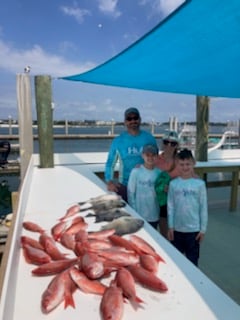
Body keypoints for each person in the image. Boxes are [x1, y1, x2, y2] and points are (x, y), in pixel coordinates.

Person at [104, 107, 157, 202]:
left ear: (140, 119)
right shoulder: (118, 141)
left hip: (146, 185)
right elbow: (110, 163)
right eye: (129, 119)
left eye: (135, 118)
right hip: (125, 186)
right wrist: (109, 181)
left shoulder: (149, 138)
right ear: (125, 122)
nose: (133, 121)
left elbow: (156, 159)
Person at [167, 148, 208, 266]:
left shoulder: (200, 184)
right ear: (177, 165)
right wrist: (171, 226)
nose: (185, 167)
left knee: (192, 261)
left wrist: (203, 229)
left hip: (193, 231)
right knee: (176, 261)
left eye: (188, 164)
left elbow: (203, 207)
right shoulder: (173, 184)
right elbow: (171, 207)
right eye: (182, 164)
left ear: (193, 163)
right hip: (177, 230)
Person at [127, 144, 161, 229]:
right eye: (147, 155)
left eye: (153, 155)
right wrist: (134, 213)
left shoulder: (159, 173)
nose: (150, 158)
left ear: (157, 156)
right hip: (138, 215)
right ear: (142, 155)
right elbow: (130, 193)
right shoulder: (136, 172)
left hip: (154, 215)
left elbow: (161, 194)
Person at [155, 131, 180, 238]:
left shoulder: (181, 160)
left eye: (173, 143)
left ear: (177, 146)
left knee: (176, 232)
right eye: (166, 142)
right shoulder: (155, 159)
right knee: (163, 232)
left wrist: (173, 187)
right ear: (162, 143)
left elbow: (189, 179)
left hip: (176, 202)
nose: (169, 145)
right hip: (159, 202)